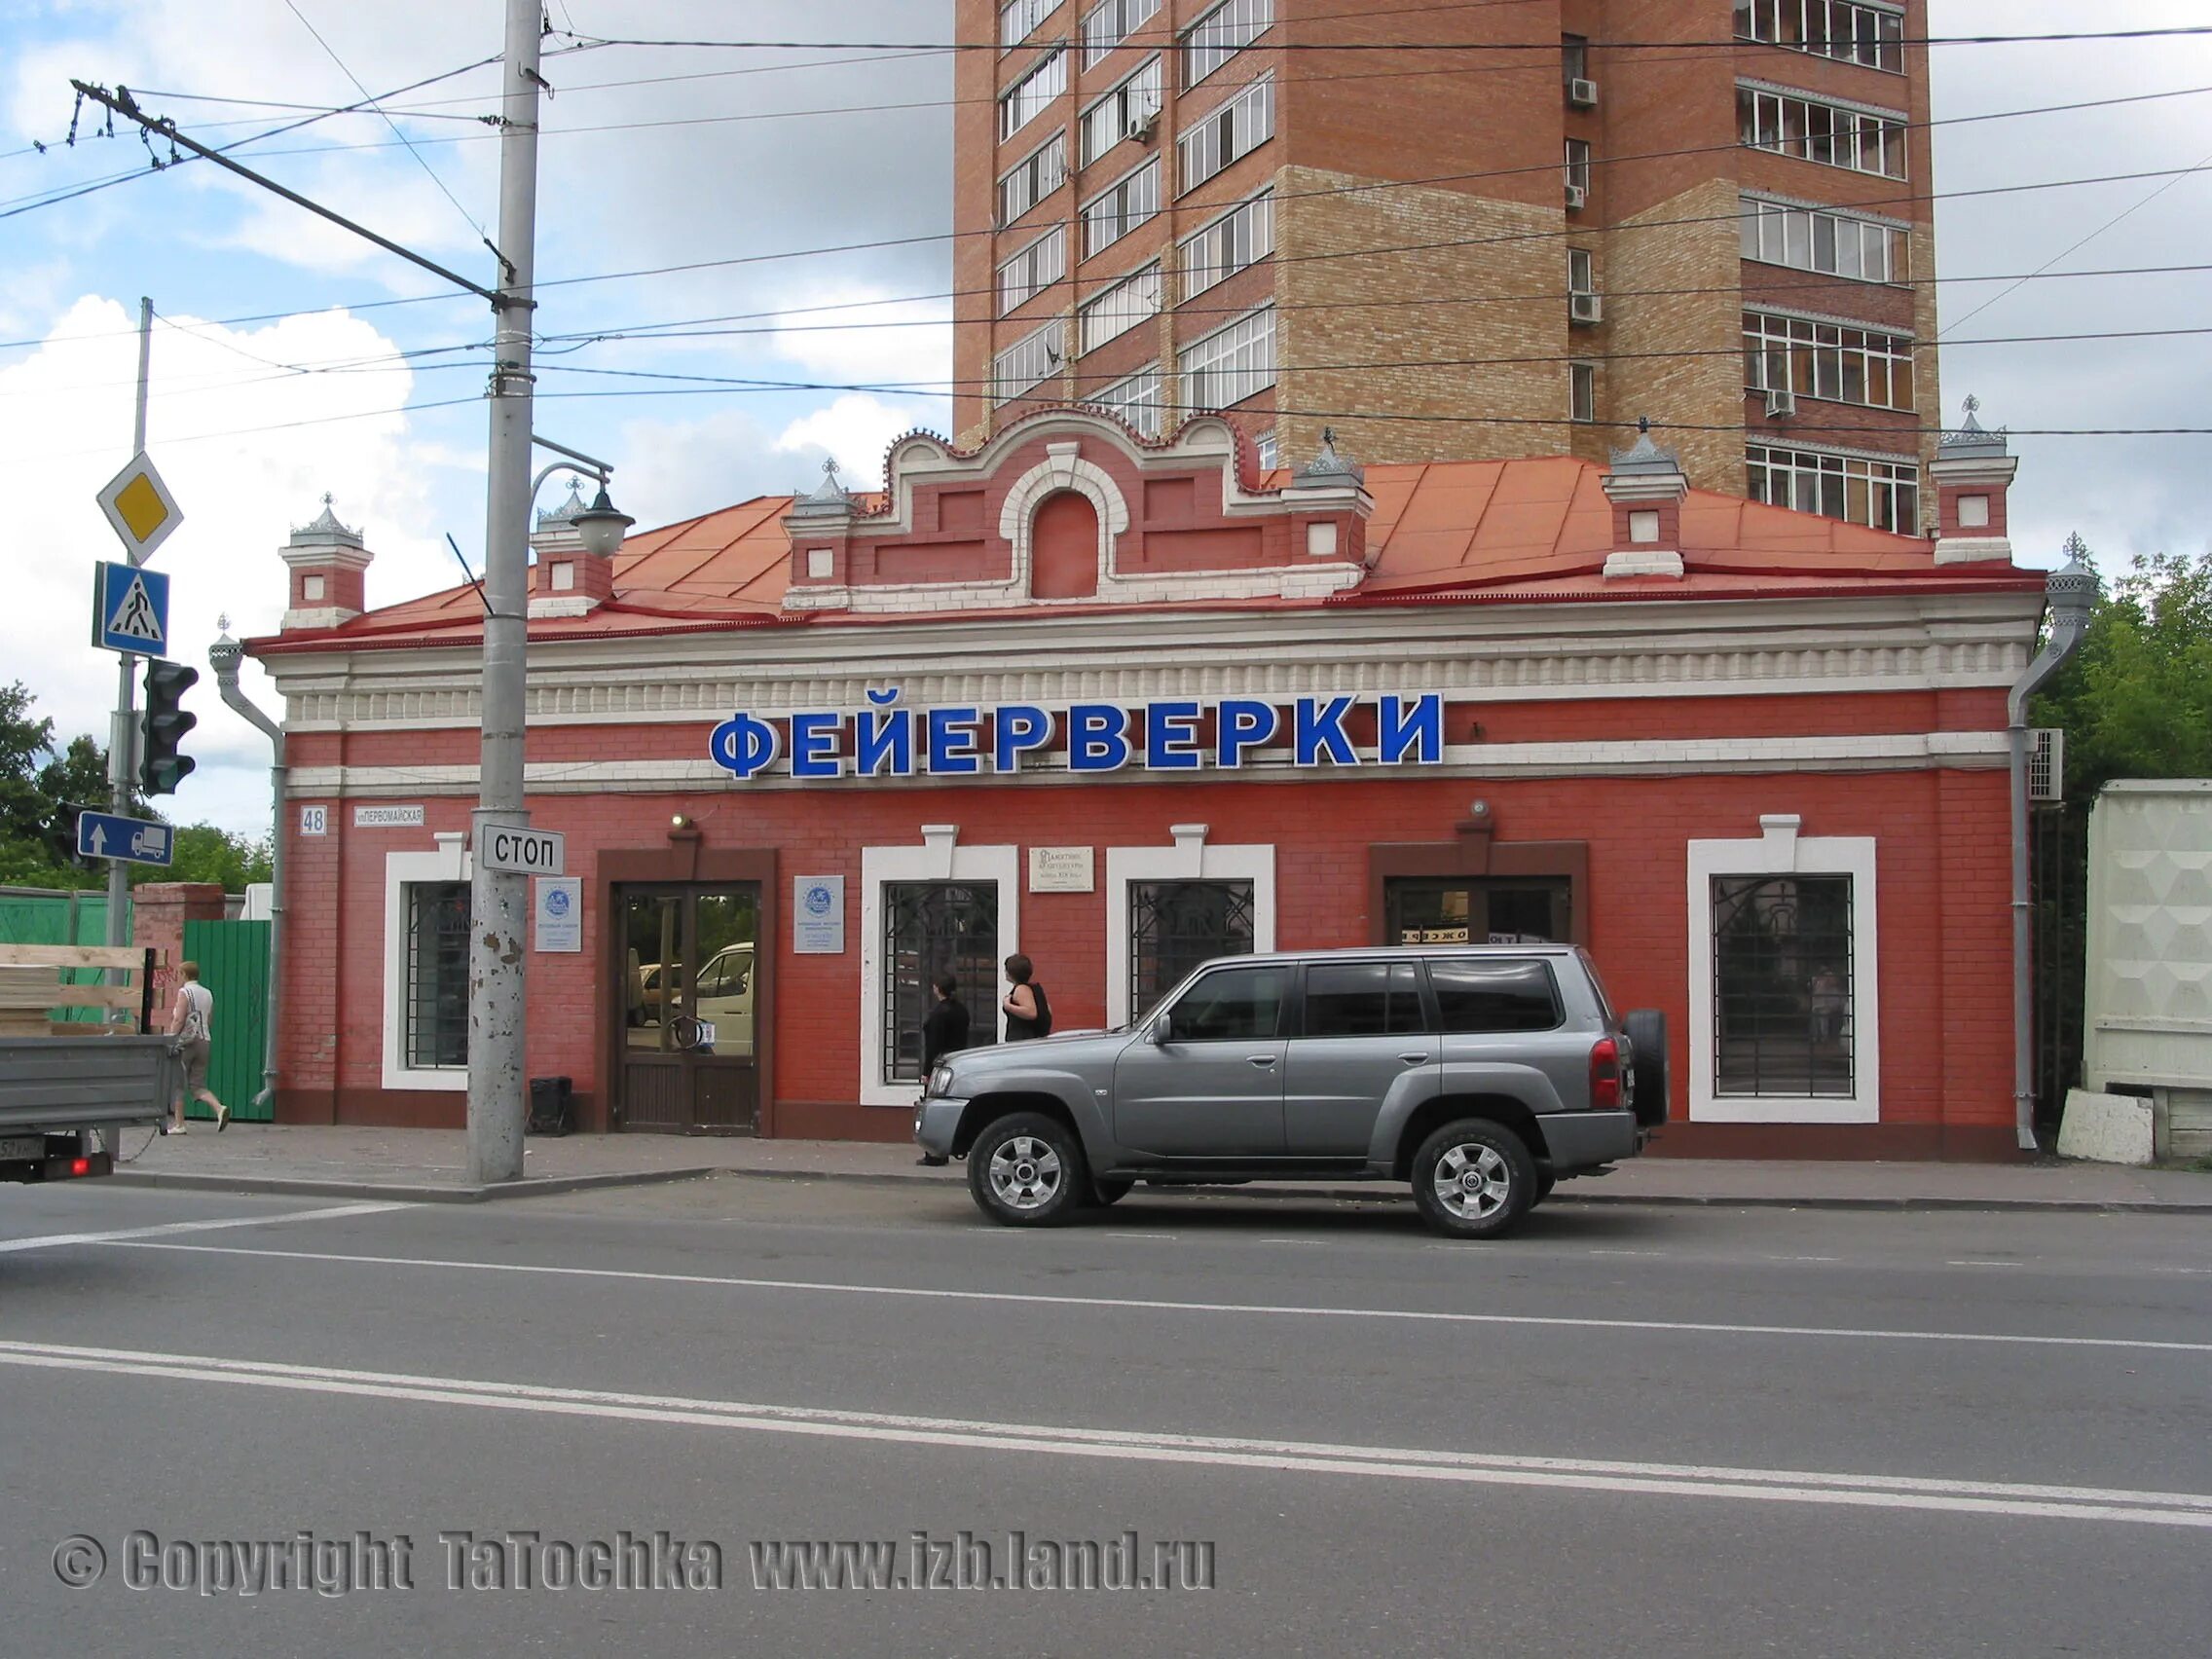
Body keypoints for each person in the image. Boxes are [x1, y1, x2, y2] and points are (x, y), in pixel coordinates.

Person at [166, 961, 229, 1134]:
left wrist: (171, 1038)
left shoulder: (185, 992)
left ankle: (179, 1124)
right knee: (197, 1085)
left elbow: (179, 1018)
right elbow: (209, 1020)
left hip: (187, 1043)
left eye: (179, 974)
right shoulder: (208, 993)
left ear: (184, 975)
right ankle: (219, 1108)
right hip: (205, 1040)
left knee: (178, 1082)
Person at [914, 971, 970, 1167]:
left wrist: (926, 1071)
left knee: (934, 1106)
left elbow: (933, 1045)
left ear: (937, 988)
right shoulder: (961, 1010)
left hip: (940, 1065)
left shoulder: (939, 1013)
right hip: (958, 1062)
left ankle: (935, 1154)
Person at [1002, 953, 1053, 1042]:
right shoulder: (1035, 989)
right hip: (1033, 1038)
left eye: (1006, 969)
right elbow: (1048, 1009)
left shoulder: (1021, 989)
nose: (1005, 972)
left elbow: (1031, 1013)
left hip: (1022, 1040)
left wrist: (1008, 1006)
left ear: (1011, 972)